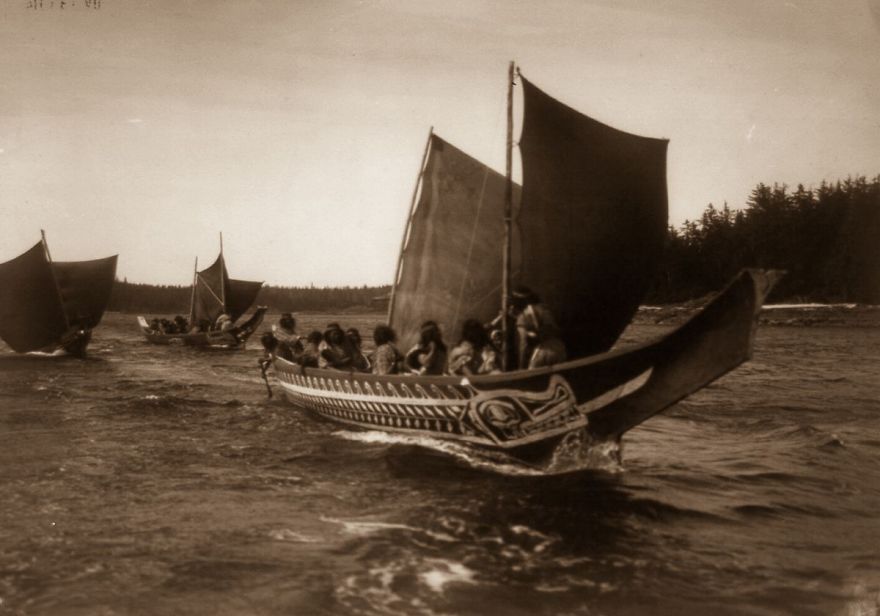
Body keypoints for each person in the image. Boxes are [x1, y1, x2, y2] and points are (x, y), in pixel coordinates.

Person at [510, 286, 566, 369]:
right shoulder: (543, 307)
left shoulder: (523, 316)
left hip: (544, 350)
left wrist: (521, 367)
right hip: (560, 349)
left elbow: (523, 344)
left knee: (530, 378)